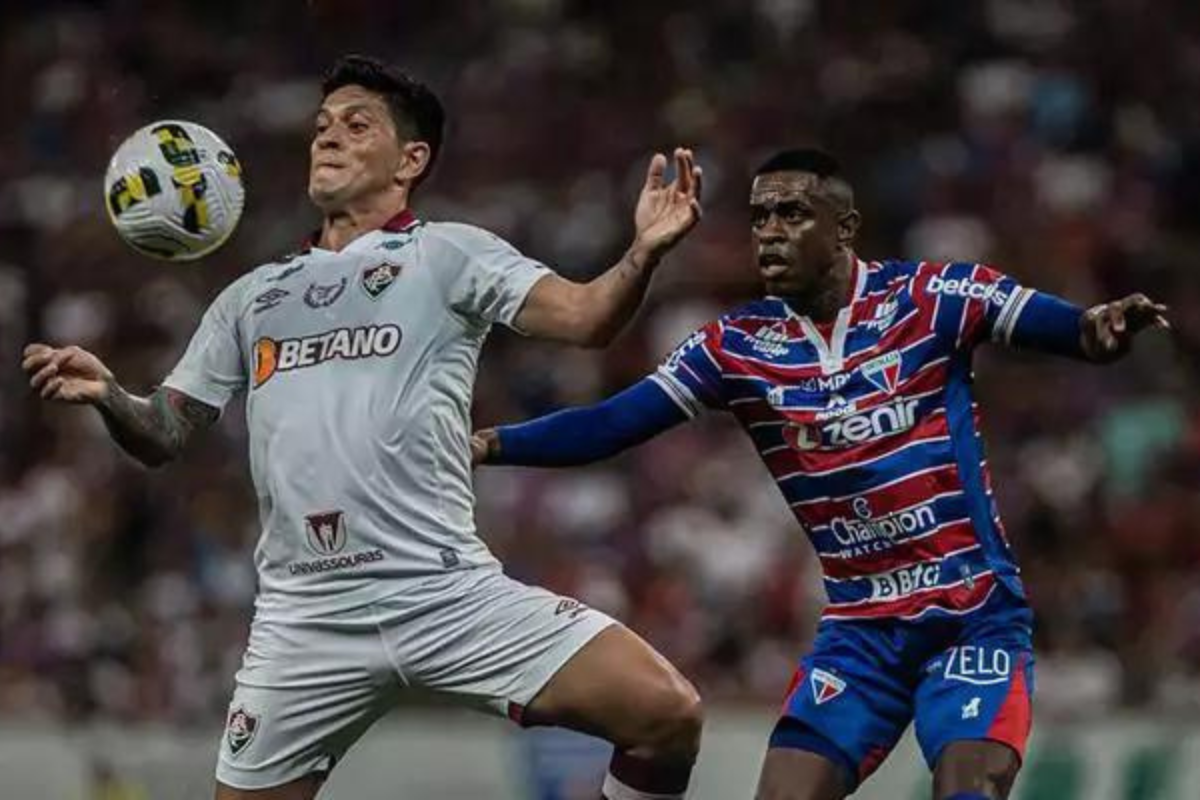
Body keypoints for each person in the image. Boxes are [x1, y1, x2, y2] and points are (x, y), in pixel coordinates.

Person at [22, 55, 707, 800]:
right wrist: (109, 395)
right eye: (322, 127)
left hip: (442, 592)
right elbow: (163, 433)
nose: (328, 138)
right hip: (304, 621)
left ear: (410, 159)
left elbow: (587, 319)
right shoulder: (252, 297)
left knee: (666, 714)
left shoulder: (448, 253)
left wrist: (642, 252)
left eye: (357, 125)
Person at [472, 148, 1172, 800]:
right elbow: (609, 425)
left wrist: (1097, 327)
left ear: (845, 227)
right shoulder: (736, 346)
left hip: (970, 621)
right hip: (860, 633)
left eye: (792, 213)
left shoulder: (933, 296)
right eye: (759, 218)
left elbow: (1069, 328)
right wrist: (487, 443)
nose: (769, 232)